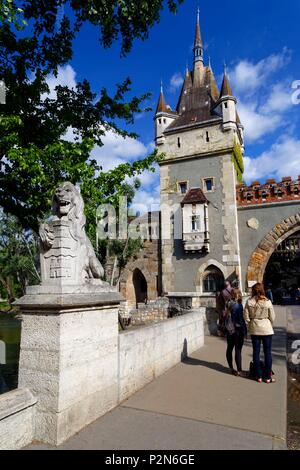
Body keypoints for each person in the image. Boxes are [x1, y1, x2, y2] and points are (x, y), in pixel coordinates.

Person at [244, 283, 276, 383]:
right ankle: (267, 377)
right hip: (266, 328)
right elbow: (273, 317)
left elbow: (246, 316)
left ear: (253, 291)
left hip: (255, 328)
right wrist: (268, 323)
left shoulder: (249, 302)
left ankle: (258, 376)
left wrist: (251, 324)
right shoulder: (267, 302)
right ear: (263, 290)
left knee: (256, 352)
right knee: (267, 353)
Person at [225, 288, 247, 376]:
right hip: (237, 331)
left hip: (229, 330)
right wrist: (245, 331)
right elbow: (241, 320)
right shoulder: (238, 305)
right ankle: (239, 370)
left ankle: (231, 368)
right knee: (238, 350)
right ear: (239, 295)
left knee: (229, 348)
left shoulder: (228, 303)